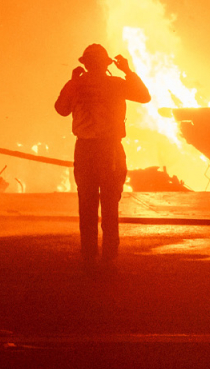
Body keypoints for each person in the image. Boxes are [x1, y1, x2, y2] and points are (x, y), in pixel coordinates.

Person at [55, 43, 150, 268]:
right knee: (110, 202)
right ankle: (109, 253)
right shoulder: (116, 84)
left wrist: (71, 82)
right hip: (110, 151)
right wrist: (127, 71)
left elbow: (61, 109)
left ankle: (89, 254)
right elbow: (145, 97)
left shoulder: (76, 85)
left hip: (85, 150)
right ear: (106, 64)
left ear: (86, 65)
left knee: (86, 203)